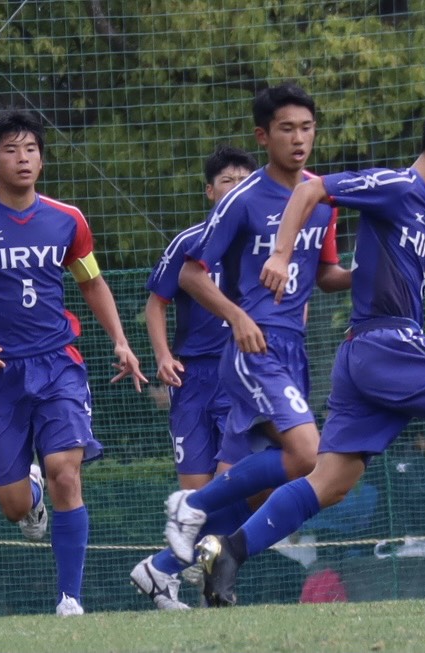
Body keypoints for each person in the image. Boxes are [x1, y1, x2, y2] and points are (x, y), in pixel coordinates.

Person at [197, 97, 425, 607]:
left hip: (362, 357)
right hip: (386, 342)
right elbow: (311, 188)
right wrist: (281, 255)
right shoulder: (398, 186)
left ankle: (230, 551)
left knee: (329, 482)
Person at [0, 109, 147, 616]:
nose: (23, 158)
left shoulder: (68, 220)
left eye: (30, 149)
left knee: (66, 472)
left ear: (42, 160)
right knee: (13, 506)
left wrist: (120, 340)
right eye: (10, 150)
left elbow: (91, 281)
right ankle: (28, 489)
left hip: (58, 363)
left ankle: (70, 599)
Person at [158, 82, 351, 578]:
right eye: (287, 128)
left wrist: (367, 273)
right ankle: (193, 504)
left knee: (264, 478)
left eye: (307, 127)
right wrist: (237, 316)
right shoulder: (241, 199)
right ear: (263, 137)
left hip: (293, 349)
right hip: (253, 346)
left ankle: (160, 569)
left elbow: (327, 275)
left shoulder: (322, 198)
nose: (299, 138)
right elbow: (189, 273)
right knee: (311, 455)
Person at [129, 145, 257, 610]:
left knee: (233, 484)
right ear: (210, 191)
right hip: (190, 382)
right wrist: (163, 356)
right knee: (194, 494)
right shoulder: (188, 242)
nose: (236, 188)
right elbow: (155, 303)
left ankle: (169, 571)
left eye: (245, 181)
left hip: (238, 376)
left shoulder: (261, 243)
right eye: (227, 181)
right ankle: (176, 578)